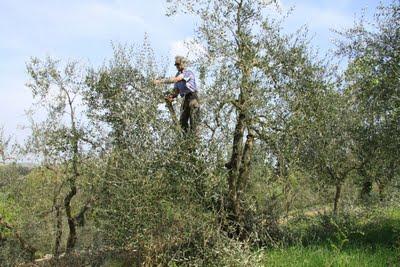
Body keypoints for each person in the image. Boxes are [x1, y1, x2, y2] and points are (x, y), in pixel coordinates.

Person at [154, 56, 200, 135]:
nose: (177, 66)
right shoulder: (177, 74)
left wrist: (159, 82)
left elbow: (176, 79)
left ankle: (193, 140)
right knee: (182, 122)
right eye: (176, 64)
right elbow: (176, 91)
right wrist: (171, 96)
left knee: (193, 122)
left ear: (183, 63)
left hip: (192, 97)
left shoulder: (187, 73)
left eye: (178, 64)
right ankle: (186, 141)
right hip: (185, 98)